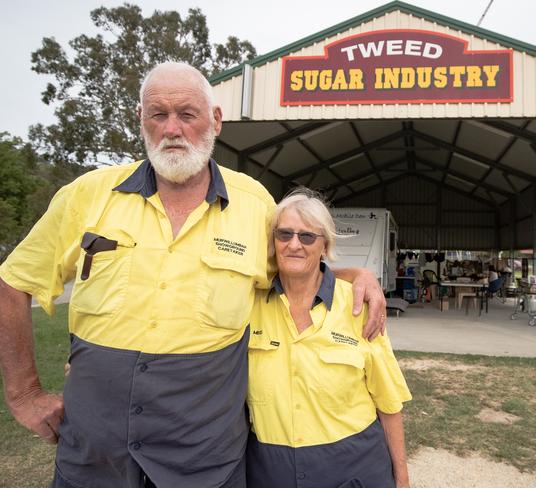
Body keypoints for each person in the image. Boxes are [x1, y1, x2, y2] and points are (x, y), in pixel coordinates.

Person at [0, 62, 386, 488]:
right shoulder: (87, 194)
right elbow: (13, 283)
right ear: (140, 119)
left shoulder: (254, 204)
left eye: (187, 114)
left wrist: (355, 273)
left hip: (204, 455)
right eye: (158, 115)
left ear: (215, 120)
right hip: (94, 451)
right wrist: (24, 394)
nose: (172, 129)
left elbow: (296, 264)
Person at [246, 189, 411, 488]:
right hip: (271, 471)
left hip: (354, 469)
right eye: (284, 234)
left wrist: (402, 481)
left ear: (325, 246)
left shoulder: (360, 307)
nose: (294, 244)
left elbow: (389, 404)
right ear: (273, 242)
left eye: (307, 237)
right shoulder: (248, 305)